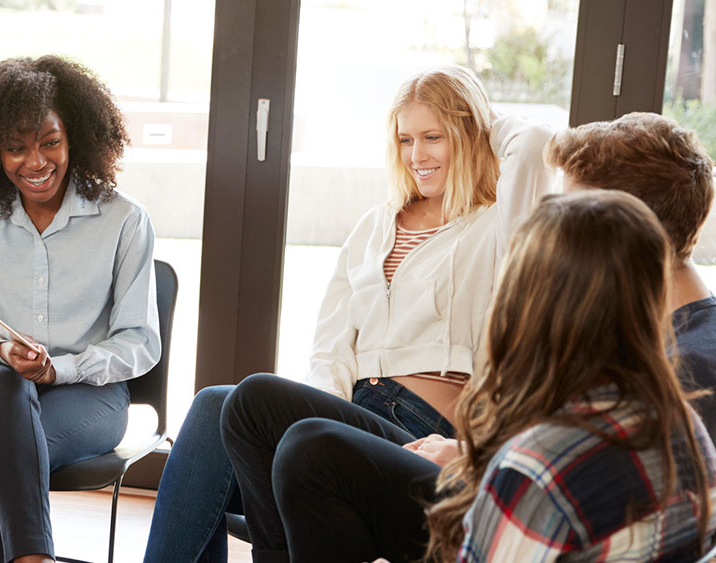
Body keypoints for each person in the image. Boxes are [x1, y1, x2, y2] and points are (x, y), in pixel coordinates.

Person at [144, 65, 554, 562]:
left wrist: (486, 119)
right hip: (354, 411)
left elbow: (533, 144)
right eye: (405, 139)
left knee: (250, 398)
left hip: (423, 431)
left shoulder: (499, 225)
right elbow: (331, 346)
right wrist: (307, 426)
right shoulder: (375, 225)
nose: (417, 155)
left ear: (470, 134)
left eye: (433, 137)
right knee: (213, 406)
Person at [266, 111, 716, 562]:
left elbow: (569, 485)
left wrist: (481, 465)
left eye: (573, 219)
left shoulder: (690, 371)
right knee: (262, 411)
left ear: (626, 232)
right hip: (498, 476)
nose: (556, 229)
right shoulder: (656, 367)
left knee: (307, 453)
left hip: (500, 489)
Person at [0, 55, 160, 563]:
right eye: (16, 148)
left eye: (49, 142)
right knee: (2, 386)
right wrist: (0, 351)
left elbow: (139, 342)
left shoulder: (123, 220)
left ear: (74, 136)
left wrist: (62, 369)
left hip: (89, 397)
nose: (35, 163)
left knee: (1, 455)